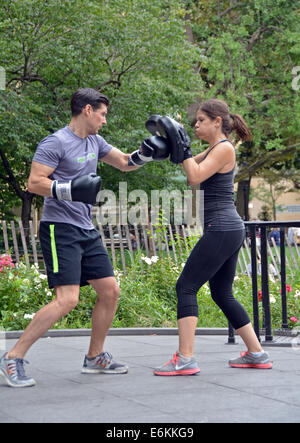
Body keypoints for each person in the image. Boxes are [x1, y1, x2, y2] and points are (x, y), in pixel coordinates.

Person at [0, 87, 169, 387]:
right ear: (87, 110)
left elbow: (124, 163)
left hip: (85, 229)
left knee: (110, 291)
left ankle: (94, 357)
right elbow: (34, 183)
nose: (105, 121)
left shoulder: (95, 141)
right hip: (59, 228)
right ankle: (13, 356)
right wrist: (68, 189)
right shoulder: (55, 143)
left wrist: (147, 154)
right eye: (102, 114)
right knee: (67, 300)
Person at [153, 98, 272, 375]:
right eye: (195, 121)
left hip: (222, 228)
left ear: (217, 122)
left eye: (201, 120)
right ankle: (257, 353)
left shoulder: (223, 148)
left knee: (186, 287)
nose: (196, 125)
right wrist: (171, 146)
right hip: (227, 229)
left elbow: (194, 177)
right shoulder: (214, 149)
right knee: (221, 292)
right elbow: (186, 165)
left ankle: (185, 358)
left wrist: (183, 151)